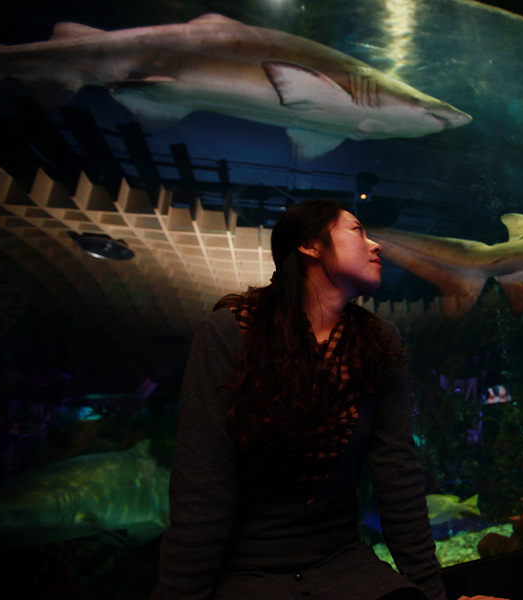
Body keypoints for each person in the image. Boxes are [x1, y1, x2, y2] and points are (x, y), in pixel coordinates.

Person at [152, 199, 445, 600]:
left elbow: (398, 475)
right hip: (246, 575)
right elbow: (201, 489)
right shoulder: (230, 333)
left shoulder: (380, 340)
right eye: (358, 230)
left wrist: (432, 596)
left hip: (345, 564)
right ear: (309, 245)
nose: (376, 244)